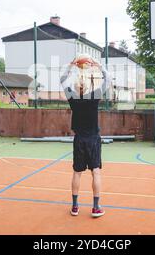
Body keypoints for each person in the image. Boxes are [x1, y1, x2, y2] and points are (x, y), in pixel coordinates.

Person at [60, 55, 111, 218]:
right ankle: (96, 208)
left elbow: (62, 79)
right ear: (89, 87)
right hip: (93, 140)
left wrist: (70, 65)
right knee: (95, 172)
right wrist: (99, 65)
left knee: (77, 173)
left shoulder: (73, 98)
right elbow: (108, 79)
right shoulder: (94, 96)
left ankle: (75, 207)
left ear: (76, 87)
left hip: (79, 140)